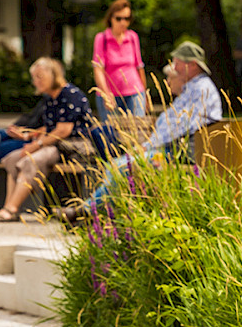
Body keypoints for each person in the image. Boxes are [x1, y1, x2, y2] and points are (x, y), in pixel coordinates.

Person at [58, 42, 223, 225]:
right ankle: (96, 214)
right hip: (175, 150)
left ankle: (89, 212)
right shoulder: (193, 87)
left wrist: (148, 145)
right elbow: (175, 124)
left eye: (176, 63)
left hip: (181, 154)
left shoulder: (201, 89)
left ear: (191, 65)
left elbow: (180, 126)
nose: (173, 68)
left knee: (124, 166)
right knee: (120, 165)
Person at [0, 58, 115, 222]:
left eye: (40, 76)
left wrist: (35, 146)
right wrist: (28, 137)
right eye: (34, 77)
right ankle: (8, 206)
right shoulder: (50, 98)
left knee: (32, 160)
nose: (36, 81)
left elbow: (63, 130)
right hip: (55, 143)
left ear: (53, 75)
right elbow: (49, 127)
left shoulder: (70, 95)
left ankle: (11, 209)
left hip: (73, 146)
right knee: (12, 158)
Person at [92, 0, 147, 121]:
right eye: (118, 18)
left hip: (134, 92)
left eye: (126, 19)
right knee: (112, 134)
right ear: (111, 18)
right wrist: (106, 94)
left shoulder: (132, 37)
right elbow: (98, 69)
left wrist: (145, 95)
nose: (123, 22)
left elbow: (139, 66)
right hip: (110, 94)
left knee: (137, 131)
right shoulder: (102, 38)